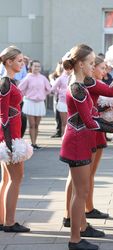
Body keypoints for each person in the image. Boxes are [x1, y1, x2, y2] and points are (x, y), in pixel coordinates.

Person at [59, 44, 113, 250]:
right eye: (90, 62)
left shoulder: (82, 83)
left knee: (82, 189)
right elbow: (89, 121)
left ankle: (78, 233)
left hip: (81, 140)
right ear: (80, 64)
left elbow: (93, 113)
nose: (93, 65)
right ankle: (75, 239)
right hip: (76, 142)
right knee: (81, 191)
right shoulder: (77, 87)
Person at [0, 46, 32, 233]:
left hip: (11, 136)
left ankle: (4, 219)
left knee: (6, 180)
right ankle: (10, 222)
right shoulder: (5, 83)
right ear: (9, 62)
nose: (22, 63)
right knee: (15, 179)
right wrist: (11, 144)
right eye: (19, 61)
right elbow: (3, 116)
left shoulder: (10, 82)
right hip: (9, 138)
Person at [18, 60, 52, 149]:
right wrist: (25, 95)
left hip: (40, 103)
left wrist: (43, 94)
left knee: (36, 125)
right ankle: (32, 143)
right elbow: (20, 89)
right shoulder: (28, 77)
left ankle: (35, 143)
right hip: (30, 102)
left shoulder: (43, 78)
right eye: (35, 66)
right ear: (31, 67)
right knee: (32, 124)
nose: (37, 68)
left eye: (38, 66)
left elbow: (49, 89)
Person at [51, 68, 72, 135]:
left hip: (72, 102)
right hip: (63, 102)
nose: (69, 70)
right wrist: (59, 93)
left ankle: (70, 139)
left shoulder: (74, 77)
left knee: (71, 123)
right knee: (64, 123)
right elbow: (53, 88)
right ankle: (64, 140)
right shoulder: (61, 78)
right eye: (67, 68)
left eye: (70, 68)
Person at [49, 61, 64, 138]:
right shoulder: (54, 75)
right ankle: (58, 130)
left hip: (63, 97)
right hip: (57, 96)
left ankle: (63, 131)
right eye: (60, 64)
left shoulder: (65, 75)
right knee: (57, 115)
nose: (61, 66)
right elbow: (53, 85)